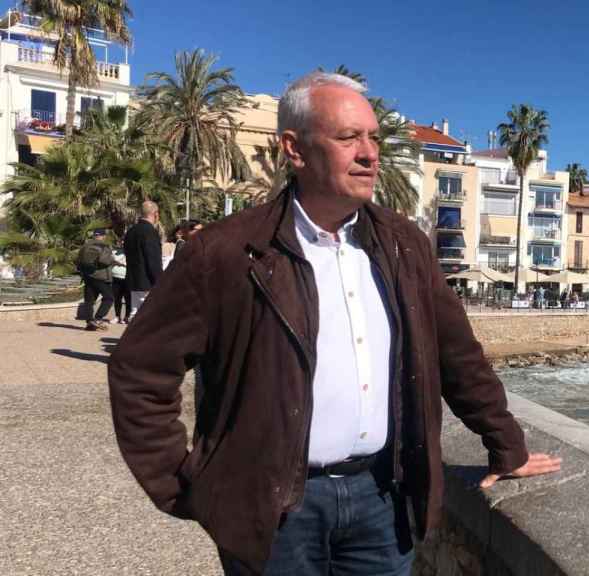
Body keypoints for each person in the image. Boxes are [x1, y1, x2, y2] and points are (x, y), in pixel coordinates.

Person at [108, 71, 561, 576]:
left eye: (373, 137)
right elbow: (140, 370)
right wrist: (184, 483)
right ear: (293, 149)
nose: (370, 153)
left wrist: (505, 444)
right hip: (275, 509)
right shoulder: (225, 253)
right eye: (348, 138)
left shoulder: (402, 244)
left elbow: (457, 355)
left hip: (382, 498)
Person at [124, 200, 163, 311]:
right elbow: (153, 261)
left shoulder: (131, 231)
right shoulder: (150, 232)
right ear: (156, 214)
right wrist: (160, 281)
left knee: (135, 318)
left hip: (132, 282)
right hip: (147, 284)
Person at [76, 228, 115, 331]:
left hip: (87, 276)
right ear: (103, 236)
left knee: (89, 301)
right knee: (109, 297)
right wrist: (112, 259)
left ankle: (89, 322)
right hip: (100, 276)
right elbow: (104, 261)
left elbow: (78, 260)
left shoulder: (85, 246)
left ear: (94, 235)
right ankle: (98, 319)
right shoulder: (103, 246)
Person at [111, 242, 131, 324]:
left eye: (124, 241)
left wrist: (120, 263)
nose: (123, 243)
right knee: (117, 298)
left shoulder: (132, 252)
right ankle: (117, 316)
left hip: (127, 278)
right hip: (115, 277)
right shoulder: (114, 252)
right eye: (121, 242)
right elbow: (111, 261)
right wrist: (120, 263)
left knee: (128, 299)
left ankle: (127, 317)